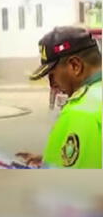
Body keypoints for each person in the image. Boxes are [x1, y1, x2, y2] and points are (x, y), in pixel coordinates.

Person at [17, 26, 102, 169]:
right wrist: (51, 158)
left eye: (52, 76)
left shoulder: (82, 111)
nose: (53, 86)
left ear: (75, 66)